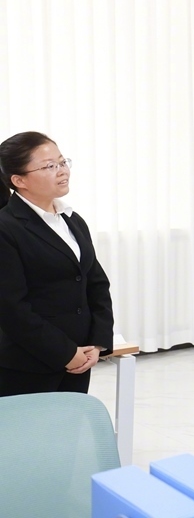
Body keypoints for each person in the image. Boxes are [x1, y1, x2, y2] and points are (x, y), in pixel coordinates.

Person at [0, 132, 114, 396]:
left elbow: (96, 283)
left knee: (69, 423)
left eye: (62, 162)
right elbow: (11, 308)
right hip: (28, 364)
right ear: (19, 180)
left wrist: (97, 343)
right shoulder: (6, 228)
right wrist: (65, 353)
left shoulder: (72, 220)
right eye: (49, 166)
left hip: (80, 359)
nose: (62, 171)